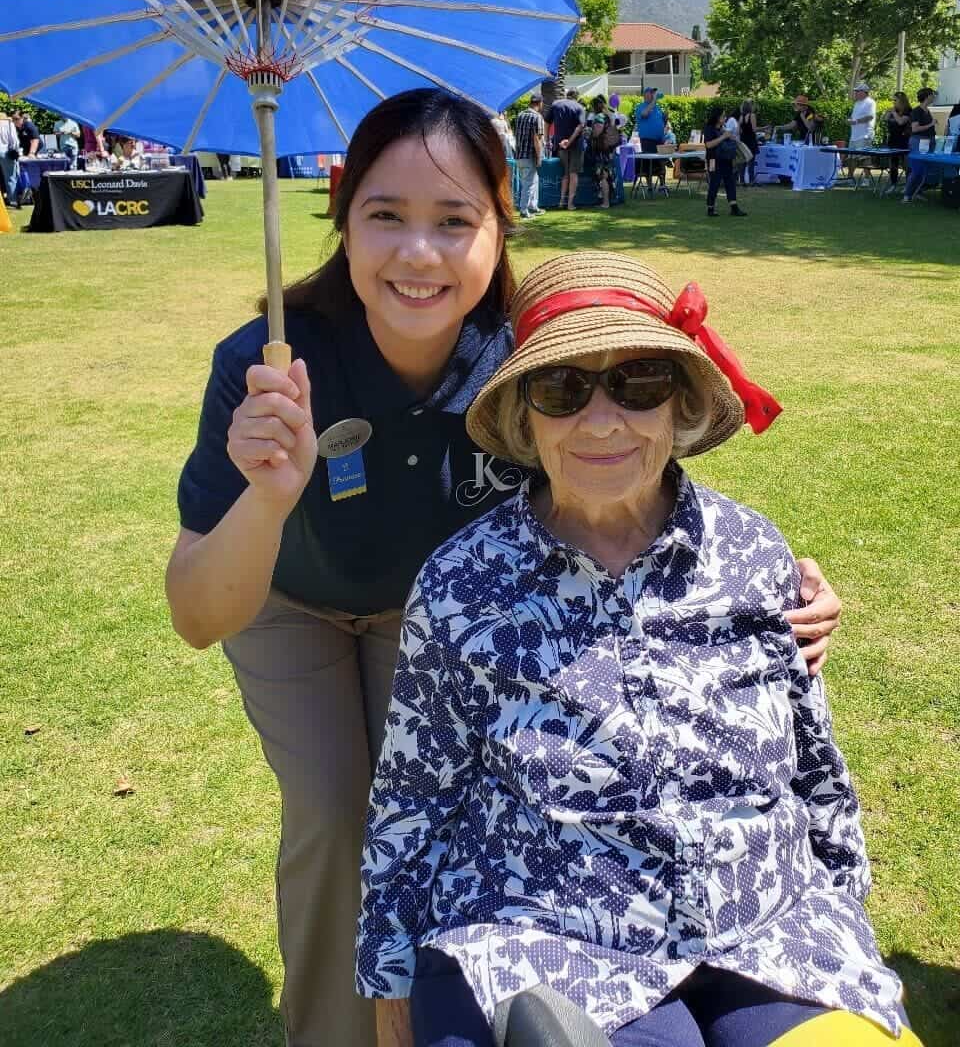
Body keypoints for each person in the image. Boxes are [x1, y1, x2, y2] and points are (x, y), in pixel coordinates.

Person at [167, 90, 840, 1047]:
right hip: (296, 601)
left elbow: (634, 477)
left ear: (499, 228)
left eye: (455, 220)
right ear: (342, 217)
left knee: (456, 809)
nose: (420, 254)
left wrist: (773, 590)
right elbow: (198, 612)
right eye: (385, 215)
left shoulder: (528, 360)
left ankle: (461, 994)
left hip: (448, 617)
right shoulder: (270, 362)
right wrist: (270, 494)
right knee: (333, 817)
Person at [357, 251, 918, 1047]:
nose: (602, 420)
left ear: (680, 405)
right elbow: (414, 799)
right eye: (561, 389)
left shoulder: (752, 552)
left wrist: (842, 918)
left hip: (768, 926)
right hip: (549, 938)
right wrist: (390, 986)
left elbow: (815, 764)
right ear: (524, 416)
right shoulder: (461, 584)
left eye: (640, 382)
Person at [545, 87, 586, 210]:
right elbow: (580, 126)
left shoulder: (556, 104)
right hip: (576, 145)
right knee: (573, 173)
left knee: (565, 173)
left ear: (567, 94)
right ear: (577, 97)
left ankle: (562, 201)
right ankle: (570, 204)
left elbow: (546, 122)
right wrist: (570, 141)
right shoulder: (579, 107)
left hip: (560, 145)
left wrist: (547, 140)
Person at [703, 106, 746, 217]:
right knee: (714, 184)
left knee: (730, 183)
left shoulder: (723, 128)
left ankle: (734, 207)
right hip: (713, 160)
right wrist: (723, 137)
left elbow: (729, 139)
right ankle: (710, 208)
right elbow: (708, 145)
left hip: (726, 159)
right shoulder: (709, 128)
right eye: (723, 116)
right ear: (717, 117)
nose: (725, 118)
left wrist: (732, 138)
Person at [901, 86, 938, 204]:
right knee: (916, 170)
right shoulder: (917, 111)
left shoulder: (927, 110)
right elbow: (915, 129)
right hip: (918, 142)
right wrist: (931, 124)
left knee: (924, 170)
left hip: (927, 141)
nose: (934, 97)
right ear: (927, 96)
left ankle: (917, 192)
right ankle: (907, 196)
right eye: (932, 94)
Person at [513, 93, 545, 219]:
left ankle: (533, 206)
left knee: (533, 180)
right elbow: (537, 139)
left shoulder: (520, 115)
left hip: (520, 155)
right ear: (539, 103)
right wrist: (539, 157)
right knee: (528, 184)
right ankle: (524, 210)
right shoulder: (537, 117)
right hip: (530, 156)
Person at [634, 86, 667, 194]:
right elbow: (644, 114)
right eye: (651, 93)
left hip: (659, 140)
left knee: (661, 162)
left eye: (653, 93)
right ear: (645, 95)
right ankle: (649, 187)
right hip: (647, 140)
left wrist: (665, 118)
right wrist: (653, 102)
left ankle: (662, 185)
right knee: (649, 162)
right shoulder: (640, 107)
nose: (653, 95)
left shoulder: (657, 108)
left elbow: (661, 122)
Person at [587, 93, 617, 210]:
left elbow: (596, 132)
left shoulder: (599, 117)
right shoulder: (609, 115)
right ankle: (608, 200)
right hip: (608, 149)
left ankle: (605, 202)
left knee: (602, 176)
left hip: (601, 151)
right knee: (607, 176)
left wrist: (590, 133)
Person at [884, 93, 912, 188]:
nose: (893, 102)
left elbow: (901, 122)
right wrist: (888, 113)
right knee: (893, 165)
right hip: (893, 140)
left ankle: (908, 185)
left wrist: (894, 113)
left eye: (895, 100)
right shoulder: (894, 110)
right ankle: (893, 184)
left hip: (904, 141)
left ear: (901, 101)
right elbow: (885, 119)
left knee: (906, 165)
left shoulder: (908, 111)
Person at [0, 111, 21, 210]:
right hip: (6, 152)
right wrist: (15, 151)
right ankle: (13, 200)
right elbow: (14, 140)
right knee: (11, 178)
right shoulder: (9, 124)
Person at [738, 100, 759, 185]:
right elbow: (754, 129)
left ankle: (742, 181)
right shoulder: (752, 115)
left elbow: (739, 130)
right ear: (751, 107)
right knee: (751, 161)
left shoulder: (741, 116)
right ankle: (751, 181)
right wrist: (764, 128)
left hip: (743, 140)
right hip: (751, 140)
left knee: (743, 161)